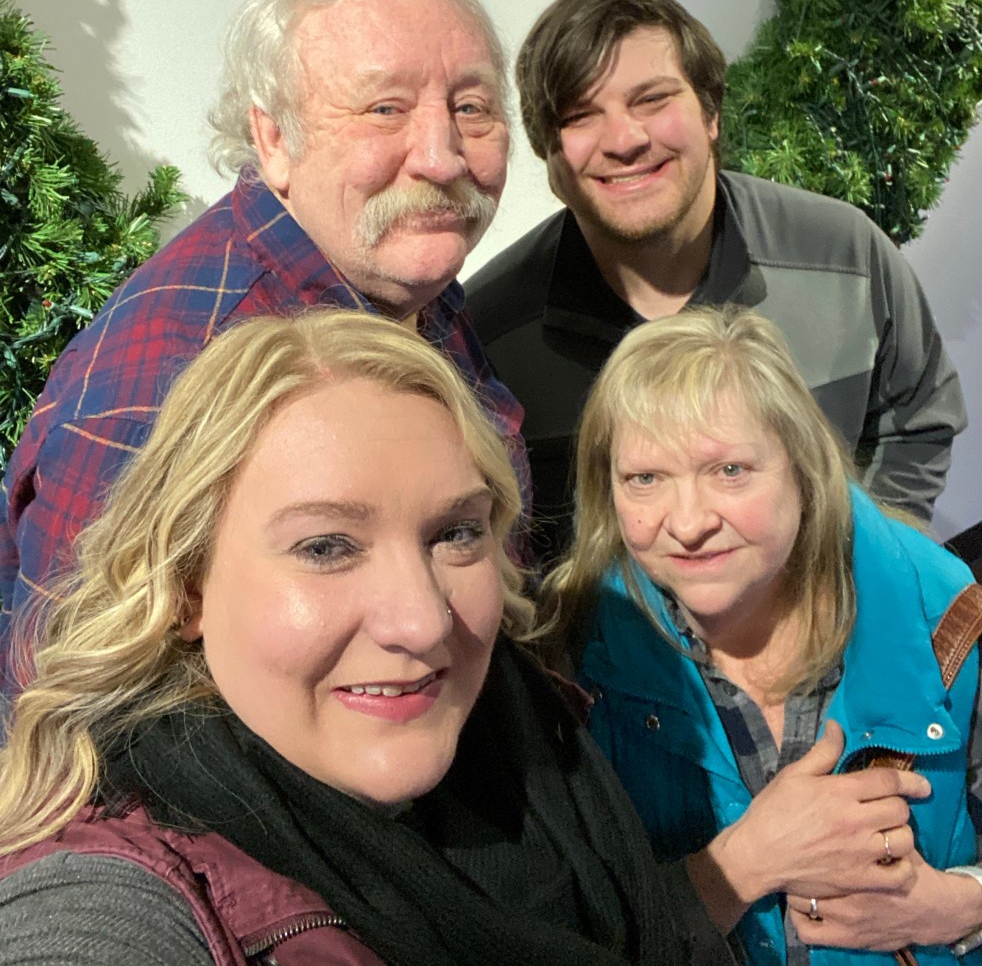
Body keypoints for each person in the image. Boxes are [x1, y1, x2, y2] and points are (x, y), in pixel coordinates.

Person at [0, 309, 730, 966]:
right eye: (325, 547)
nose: (421, 620)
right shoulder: (116, 897)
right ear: (188, 588)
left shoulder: (538, 745)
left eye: (456, 532)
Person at [0, 0, 529, 697]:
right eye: (385, 109)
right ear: (274, 139)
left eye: (471, 108)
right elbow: (67, 712)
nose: (441, 157)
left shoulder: (399, 278)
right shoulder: (168, 376)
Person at [465, 0, 965, 564]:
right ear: (548, 154)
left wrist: (862, 566)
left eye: (652, 100)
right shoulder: (487, 335)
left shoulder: (845, 256)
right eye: (579, 114)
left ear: (711, 114)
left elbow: (916, 418)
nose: (623, 139)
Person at [539, 304, 982, 964]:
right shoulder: (571, 654)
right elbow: (559, 934)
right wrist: (744, 863)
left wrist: (959, 905)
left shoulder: (947, 617)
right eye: (645, 478)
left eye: (729, 471)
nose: (688, 523)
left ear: (802, 467)